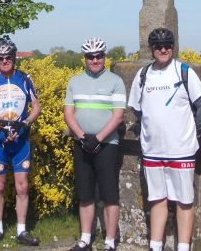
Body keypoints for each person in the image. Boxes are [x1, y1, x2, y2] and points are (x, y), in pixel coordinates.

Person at [127, 27, 201, 251]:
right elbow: (137, 109)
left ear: (173, 47)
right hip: (152, 150)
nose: (163, 50)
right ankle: (155, 246)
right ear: (152, 49)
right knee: (157, 199)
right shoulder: (143, 74)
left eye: (167, 46)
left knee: (184, 201)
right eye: (158, 46)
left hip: (181, 150)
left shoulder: (183, 71)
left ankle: (183, 247)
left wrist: (194, 133)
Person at [0, 37, 41, 247]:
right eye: (1, 57)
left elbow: (36, 107)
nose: (5, 61)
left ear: (14, 57)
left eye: (8, 57)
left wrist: (26, 123)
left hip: (21, 139)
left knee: (22, 187)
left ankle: (21, 231)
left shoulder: (24, 79)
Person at [63, 38, 126, 251]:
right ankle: (85, 239)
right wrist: (82, 136)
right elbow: (68, 113)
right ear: (85, 59)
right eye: (90, 57)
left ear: (104, 57)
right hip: (82, 143)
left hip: (107, 143)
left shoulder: (115, 81)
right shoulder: (75, 81)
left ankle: (109, 241)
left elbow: (118, 116)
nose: (95, 60)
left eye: (99, 56)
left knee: (109, 194)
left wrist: (98, 138)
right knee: (85, 193)